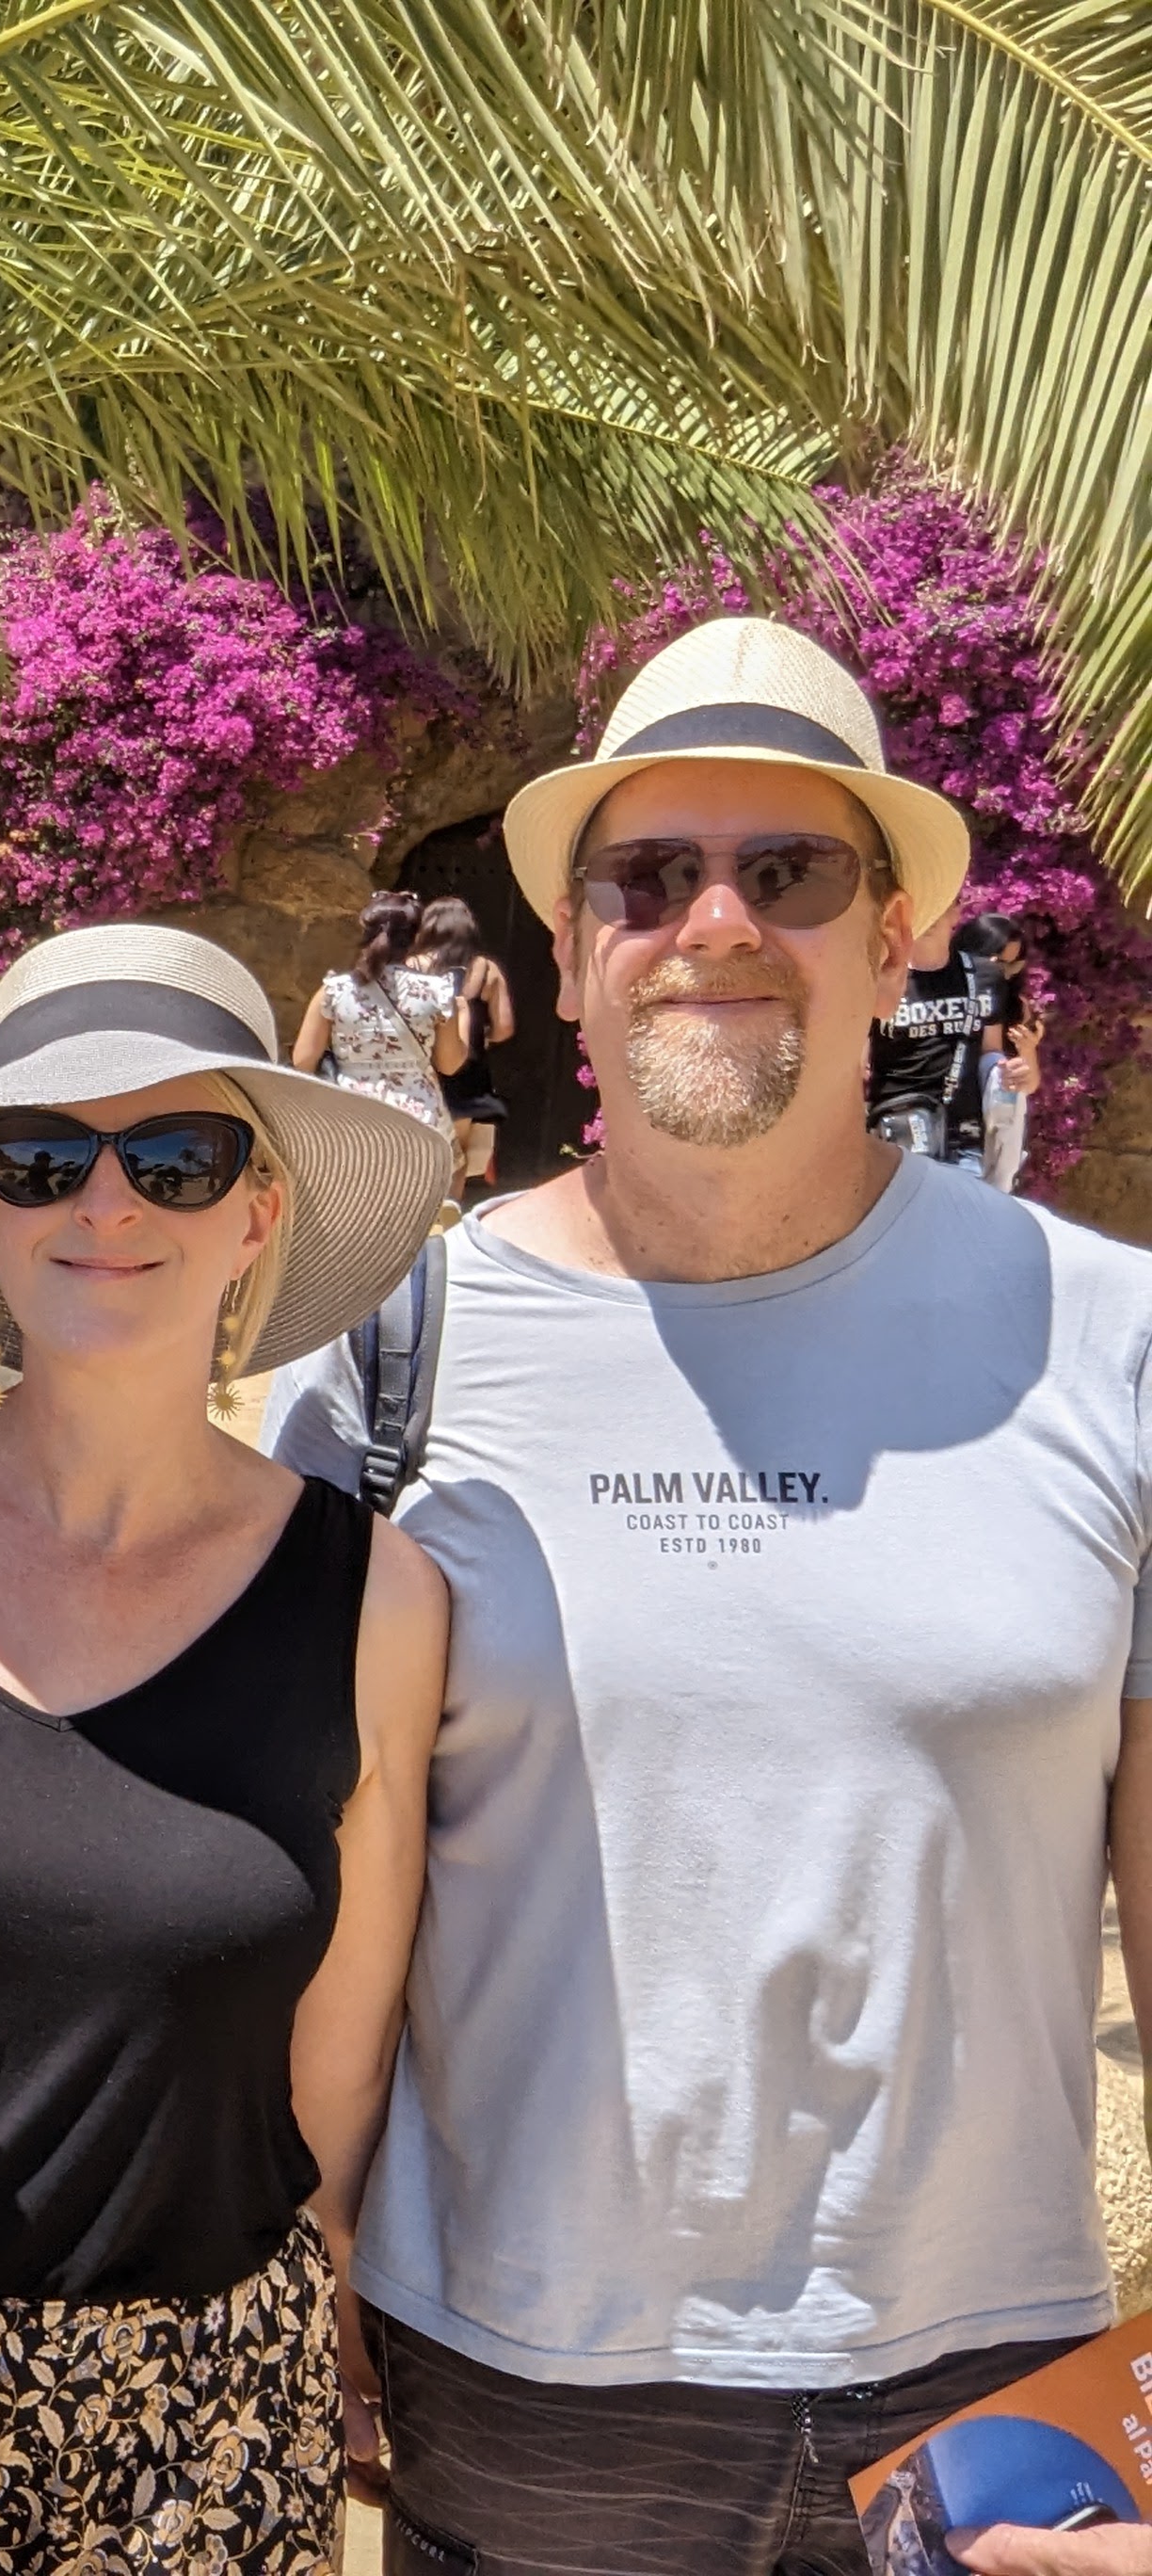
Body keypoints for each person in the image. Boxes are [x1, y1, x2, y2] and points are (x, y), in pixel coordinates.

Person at [263, 615, 1152, 2576]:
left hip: (991, 2391)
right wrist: (297, 2236)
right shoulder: (390, 1357)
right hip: (521, 2387)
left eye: (790, 871)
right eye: (649, 876)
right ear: (570, 946)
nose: (715, 923)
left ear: (897, 936)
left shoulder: (1108, 1345)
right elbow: (300, 1866)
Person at [0, 922, 456, 2574]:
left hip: (204, 2430)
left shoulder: (373, 1600)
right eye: (41, 1156)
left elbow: (336, 2066)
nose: (105, 1205)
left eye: (177, 1157)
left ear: (257, 1211)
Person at [293, 888, 468, 1133]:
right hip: (418, 1123)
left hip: (350, 1120)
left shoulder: (334, 991)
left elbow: (302, 1061)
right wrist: (464, 1017)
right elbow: (449, 1065)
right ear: (416, 939)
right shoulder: (438, 993)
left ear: (367, 934)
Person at [867, 890, 1011, 1167]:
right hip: (898, 1136)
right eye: (923, 907)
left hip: (964, 1141)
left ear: (956, 912)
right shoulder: (881, 981)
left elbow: (991, 1054)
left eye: (940, 905)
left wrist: (1015, 1074)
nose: (931, 916)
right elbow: (856, 1066)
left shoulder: (985, 977)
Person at [408, 895, 516, 1200]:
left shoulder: (412, 966)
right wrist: (482, 1037)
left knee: (414, 1147)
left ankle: (413, 1211)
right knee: (456, 1154)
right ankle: (448, 1213)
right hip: (467, 1070)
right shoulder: (487, 970)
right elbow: (505, 1027)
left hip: (421, 1066)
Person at [962, 910, 1046, 1193]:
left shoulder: (1017, 1008)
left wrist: (1027, 1051)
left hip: (992, 1116)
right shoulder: (944, 991)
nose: (1003, 974)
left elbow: (1027, 1084)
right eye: (997, 963)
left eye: (1013, 966)